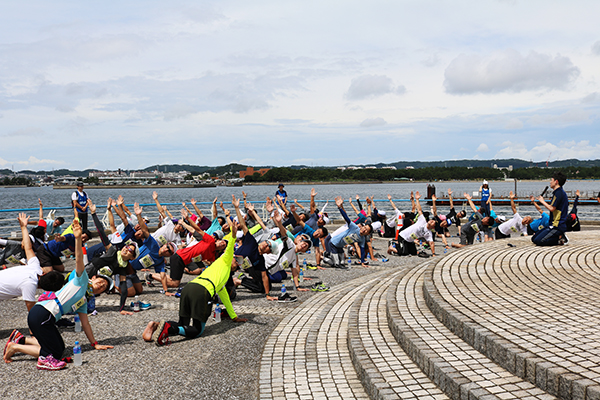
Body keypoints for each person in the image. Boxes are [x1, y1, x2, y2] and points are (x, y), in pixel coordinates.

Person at [3, 218, 113, 369]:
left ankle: (22, 340)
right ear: (93, 277)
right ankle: (15, 347)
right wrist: (77, 239)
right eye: (101, 281)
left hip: (43, 316)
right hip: (43, 313)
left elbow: (85, 323)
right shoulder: (82, 279)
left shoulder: (83, 299)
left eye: (104, 288)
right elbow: (79, 260)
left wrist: (95, 344)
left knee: (60, 348)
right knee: (53, 353)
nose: (101, 285)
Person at [142, 218, 247, 346]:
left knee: (183, 325)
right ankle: (168, 329)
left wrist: (234, 316)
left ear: (234, 268)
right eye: (235, 259)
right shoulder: (224, 259)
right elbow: (230, 247)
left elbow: (225, 298)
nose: (235, 260)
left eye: (236, 262)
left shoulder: (221, 273)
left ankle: (156, 325)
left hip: (189, 288)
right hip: (201, 292)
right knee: (197, 331)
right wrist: (234, 235)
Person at [0, 214, 64, 314]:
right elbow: (32, 315)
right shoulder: (30, 284)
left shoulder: (34, 266)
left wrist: (24, 227)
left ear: (44, 274)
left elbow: (28, 247)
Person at [322, 196, 372, 268]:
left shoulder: (362, 239)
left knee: (342, 262)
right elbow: (346, 218)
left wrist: (362, 262)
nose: (364, 229)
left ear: (368, 233)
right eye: (364, 227)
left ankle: (328, 258)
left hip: (340, 246)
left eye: (366, 230)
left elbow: (362, 250)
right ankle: (325, 258)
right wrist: (339, 207)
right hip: (333, 242)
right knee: (336, 263)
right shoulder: (354, 227)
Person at [532, 171, 569, 246]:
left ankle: (560, 239)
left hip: (557, 225)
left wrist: (542, 201)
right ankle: (559, 237)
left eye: (551, 180)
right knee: (534, 238)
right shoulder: (558, 192)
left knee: (540, 241)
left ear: (556, 182)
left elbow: (552, 208)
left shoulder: (559, 193)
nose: (550, 182)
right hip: (552, 224)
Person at [394, 191, 436, 256]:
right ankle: (392, 246)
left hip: (410, 240)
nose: (431, 221)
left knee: (413, 253)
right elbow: (419, 210)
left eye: (433, 222)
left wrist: (433, 254)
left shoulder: (428, 233)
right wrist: (417, 200)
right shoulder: (423, 220)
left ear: (433, 227)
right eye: (432, 220)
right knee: (403, 253)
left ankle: (404, 247)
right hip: (403, 236)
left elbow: (431, 243)